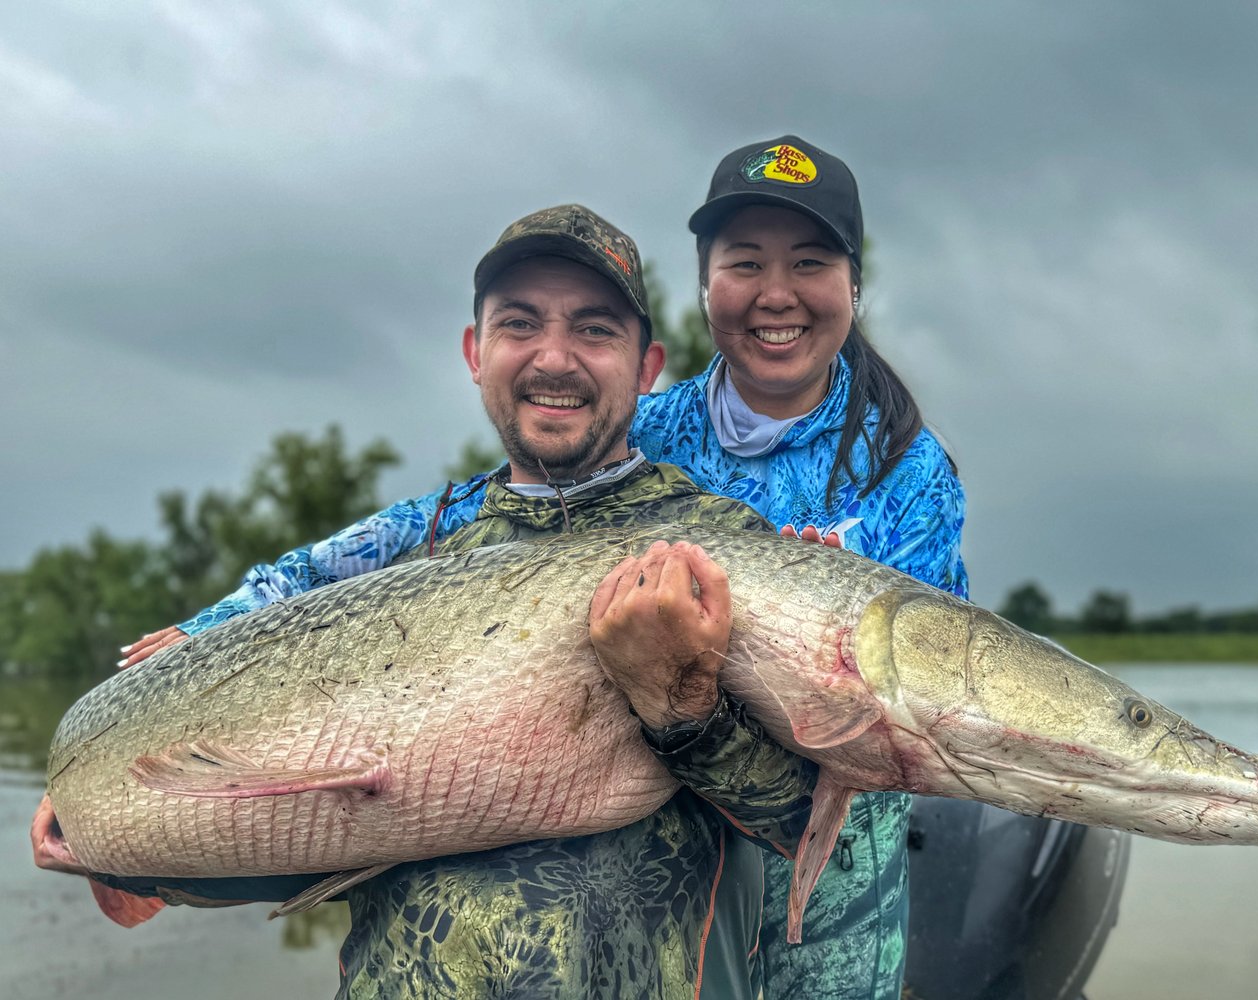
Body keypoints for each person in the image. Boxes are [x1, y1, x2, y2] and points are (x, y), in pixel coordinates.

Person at [35, 204, 819, 1000]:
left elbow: (810, 822)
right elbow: (306, 831)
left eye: (593, 329)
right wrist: (131, 851)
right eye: (520, 324)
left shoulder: (721, 548)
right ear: (476, 353)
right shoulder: (402, 559)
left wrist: (682, 710)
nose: (555, 358)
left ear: (647, 366)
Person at [627, 135, 969, 1000]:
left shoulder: (908, 468)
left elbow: (910, 711)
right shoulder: (641, 436)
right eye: (744, 263)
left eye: (809, 263)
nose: (775, 295)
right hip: (657, 865)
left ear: (853, 284)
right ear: (703, 284)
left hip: (838, 885)